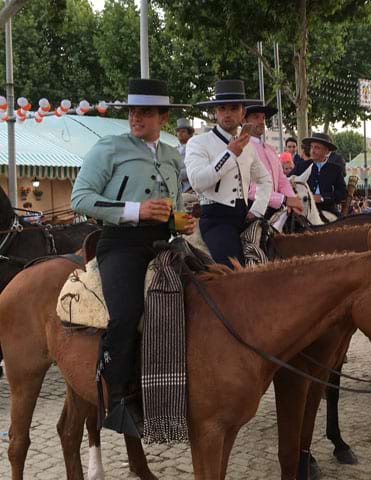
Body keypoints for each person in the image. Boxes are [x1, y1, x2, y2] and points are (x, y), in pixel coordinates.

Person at [70, 78, 195, 437]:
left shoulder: (172, 154)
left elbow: (177, 206)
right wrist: (136, 209)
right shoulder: (108, 147)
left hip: (165, 244)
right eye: (132, 111)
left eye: (144, 112)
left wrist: (180, 221)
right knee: (125, 315)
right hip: (121, 244)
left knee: (214, 291)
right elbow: (81, 198)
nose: (136, 117)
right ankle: (120, 400)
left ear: (163, 116)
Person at [186, 79, 272, 267]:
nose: (227, 114)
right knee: (235, 271)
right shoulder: (198, 143)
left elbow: (265, 179)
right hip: (216, 220)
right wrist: (229, 153)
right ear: (215, 113)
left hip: (245, 217)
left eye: (233, 108)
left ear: (242, 113)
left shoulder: (247, 143)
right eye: (222, 108)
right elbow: (198, 181)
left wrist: (257, 208)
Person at [244, 104, 303, 217]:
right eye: (256, 117)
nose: (261, 121)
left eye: (263, 118)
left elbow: (282, 180)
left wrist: (292, 200)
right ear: (244, 120)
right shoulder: (242, 149)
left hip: (276, 208)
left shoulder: (270, 149)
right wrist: (284, 199)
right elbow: (250, 190)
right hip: (252, 208)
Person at [291, 132, 347, 216]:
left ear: (326, 151)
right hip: (303, 210)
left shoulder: (335, 169)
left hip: (328, 210)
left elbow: (342, 193)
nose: (312, 151)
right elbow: (286, 182)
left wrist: (322, 198)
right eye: (311, 147)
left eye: (317, 148)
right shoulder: (301, 166)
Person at [175, 118, 195, 192]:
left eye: (183, 131)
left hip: (190, 188)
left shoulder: (194, 148)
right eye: (178, 131)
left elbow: (192, 169)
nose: (179, 134)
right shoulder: (174, 149)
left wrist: (175, 175)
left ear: (190, 134)